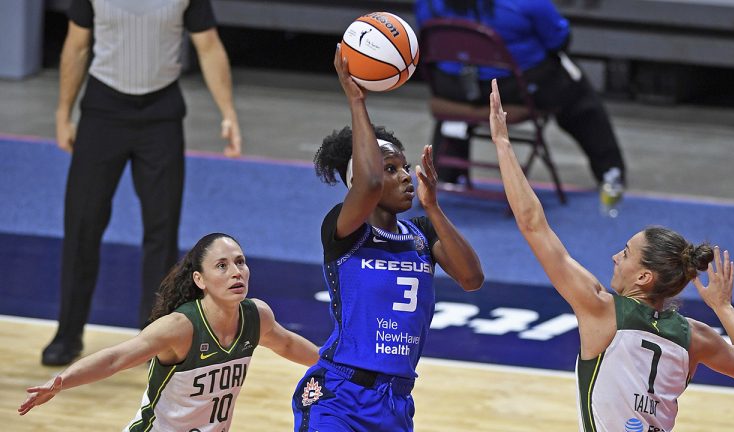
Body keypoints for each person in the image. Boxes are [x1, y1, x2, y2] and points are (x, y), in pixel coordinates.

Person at [488, 79, 734, 431]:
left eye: (625, 253)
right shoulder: (695, 336)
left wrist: (501, 144)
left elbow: (533, 224)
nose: (614, 258)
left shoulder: (601, 310)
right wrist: (723, 307)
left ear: (643, 277)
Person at [290, 46, 484, 432]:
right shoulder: (344, 230)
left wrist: (433, 208)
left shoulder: (421, 235)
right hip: (339, 396)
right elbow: (370, 182)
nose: (405, 177)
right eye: (391, 169)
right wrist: (357, 100)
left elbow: (471, 278)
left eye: (404, 167)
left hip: (396, 401)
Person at [44, 0, 243, 366]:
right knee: (82, 225)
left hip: (162, 114)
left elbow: (209, 45)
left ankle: (153, 335)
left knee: (161, 229)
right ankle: (67, 334)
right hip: (102, 111)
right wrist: (63, 111)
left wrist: (228, 112)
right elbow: (76, 45)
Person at [19, 233, 319, 431]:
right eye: (222, 266)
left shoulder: (257, 317)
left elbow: (288, 345)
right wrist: (61, 383)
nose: (236, 272)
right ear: (200, 280)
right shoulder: (180, 328)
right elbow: (115, 359)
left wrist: (342, 368)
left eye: (240, 262)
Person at [415, 0, 626, 192]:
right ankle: (610, 171)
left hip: (452, 89)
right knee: (576, 91)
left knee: (467, 81)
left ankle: (447, 172)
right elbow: (559, 40)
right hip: (511, 91)